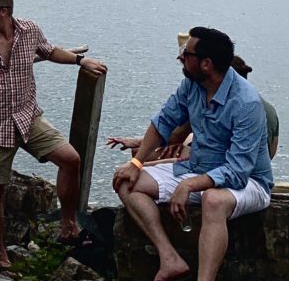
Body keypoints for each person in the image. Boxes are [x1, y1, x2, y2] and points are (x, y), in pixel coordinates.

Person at [0, 0, 107, 268]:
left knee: (70, 159)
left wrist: (80, 60)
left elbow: (49, 51)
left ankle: (67, 223)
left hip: (28, 117)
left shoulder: (29, 30)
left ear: (4, 11)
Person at [112, 27, 273, 281]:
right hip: (198, 168)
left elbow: (238, 170)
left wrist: (189, 185)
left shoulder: (246, 103)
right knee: (126, 182)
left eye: (186, 54)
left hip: (249, 181)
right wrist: (136, 162)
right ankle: (170, 258)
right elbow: (163, 122)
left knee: (213, 200)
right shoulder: (191, 86)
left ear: (206, 64)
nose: (180, 58)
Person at [106, 54, 279, 161]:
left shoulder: (216, 101)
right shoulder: (265, 107)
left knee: (139, 155)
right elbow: (271, 150)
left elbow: (175, 136)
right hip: (248, 162)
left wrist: (138, 143)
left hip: (222, 162)